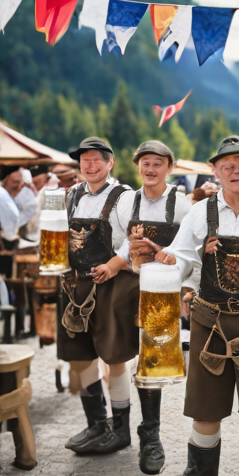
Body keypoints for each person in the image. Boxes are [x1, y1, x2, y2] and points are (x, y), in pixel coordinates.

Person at [158, 136, 239, 476]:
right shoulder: (200, 213)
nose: (237, 171)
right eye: (228, 166)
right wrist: (164, 261)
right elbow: (179, 257)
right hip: (209, 318)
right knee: (206, 407)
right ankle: (199, 472)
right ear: (216, 171)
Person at [58, 137, 139, 456]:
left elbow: (134, 240)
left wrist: (114, 264)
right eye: (85, 161)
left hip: (112, 286)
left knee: (114, 358)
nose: (90, 166)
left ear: (110, 163)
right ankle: (97, 423)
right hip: (74, 285)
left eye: (97, 160)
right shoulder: (72, 194)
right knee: (80, 357)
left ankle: (120, 430)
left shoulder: (124, 197)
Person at [114, 140, 191, 474]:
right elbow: (120, 241)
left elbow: (192, 247)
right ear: (137, 166)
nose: (150, 169)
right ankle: (116, 429)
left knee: (154, 363)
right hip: (129, 284)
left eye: (158, 163)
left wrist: (186, 282)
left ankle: (151, 437)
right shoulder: (126, 200)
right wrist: (115, 262)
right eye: (145, 162)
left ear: (169, 167)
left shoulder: (182, 204)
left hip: (161, 289)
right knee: (116, 353)